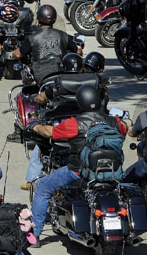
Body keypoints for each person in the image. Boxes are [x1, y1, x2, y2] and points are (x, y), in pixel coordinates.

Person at [28, 85, 127, 239]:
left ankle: (35, 234)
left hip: (78, 172)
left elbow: (50, 132)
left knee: (42, 187)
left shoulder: (75, 123)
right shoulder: (114, 122)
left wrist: (35, 126)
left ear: (80, 102)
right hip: (111, 171)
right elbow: (126, 130)